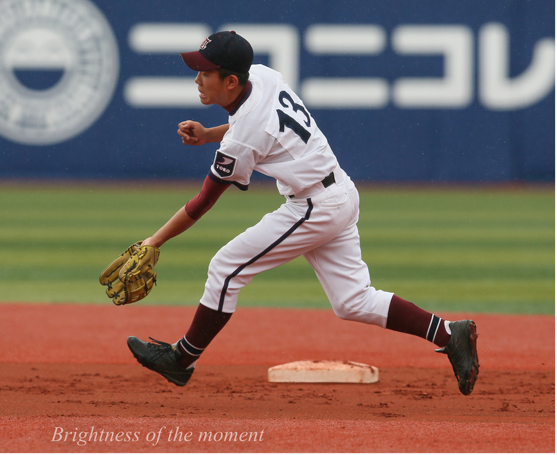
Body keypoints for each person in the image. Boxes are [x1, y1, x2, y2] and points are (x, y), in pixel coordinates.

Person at [126, 31, 480, 396]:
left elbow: (203, 202)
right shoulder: (262, 75)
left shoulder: (243, 136)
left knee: (226, 268)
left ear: (231, 81)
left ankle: (181, 360)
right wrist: (209, 134)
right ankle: (449, 333)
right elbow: (255, 122)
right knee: (352, 301)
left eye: (205, 72)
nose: (197, 79)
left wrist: (155, 240)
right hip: (339, 190)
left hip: (315, 206)